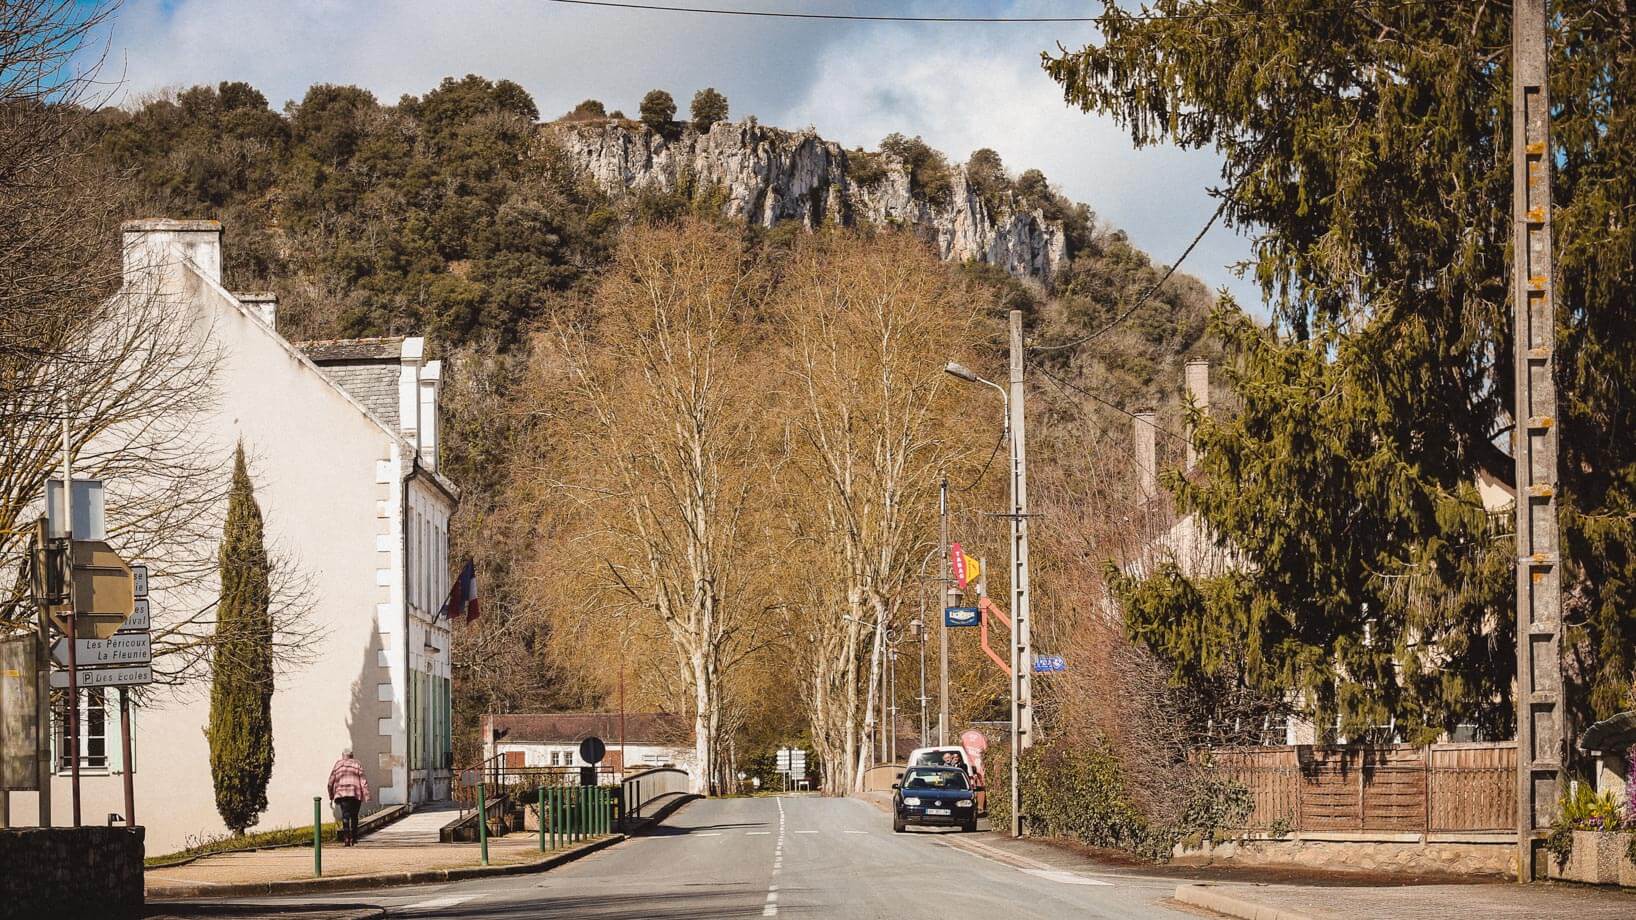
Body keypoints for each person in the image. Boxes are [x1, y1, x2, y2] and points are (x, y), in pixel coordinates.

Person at [327, 748, 371, 846]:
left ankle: (346, 839)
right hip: (355, 793)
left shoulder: (338, 765)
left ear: (343, 755)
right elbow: (363, 780)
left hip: (342, 794)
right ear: (352, 756)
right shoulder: (357, 764)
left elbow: (330, 782)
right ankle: (354, 838)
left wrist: (331, 795)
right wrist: (366, 795)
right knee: (354, 816)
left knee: (345, 815)